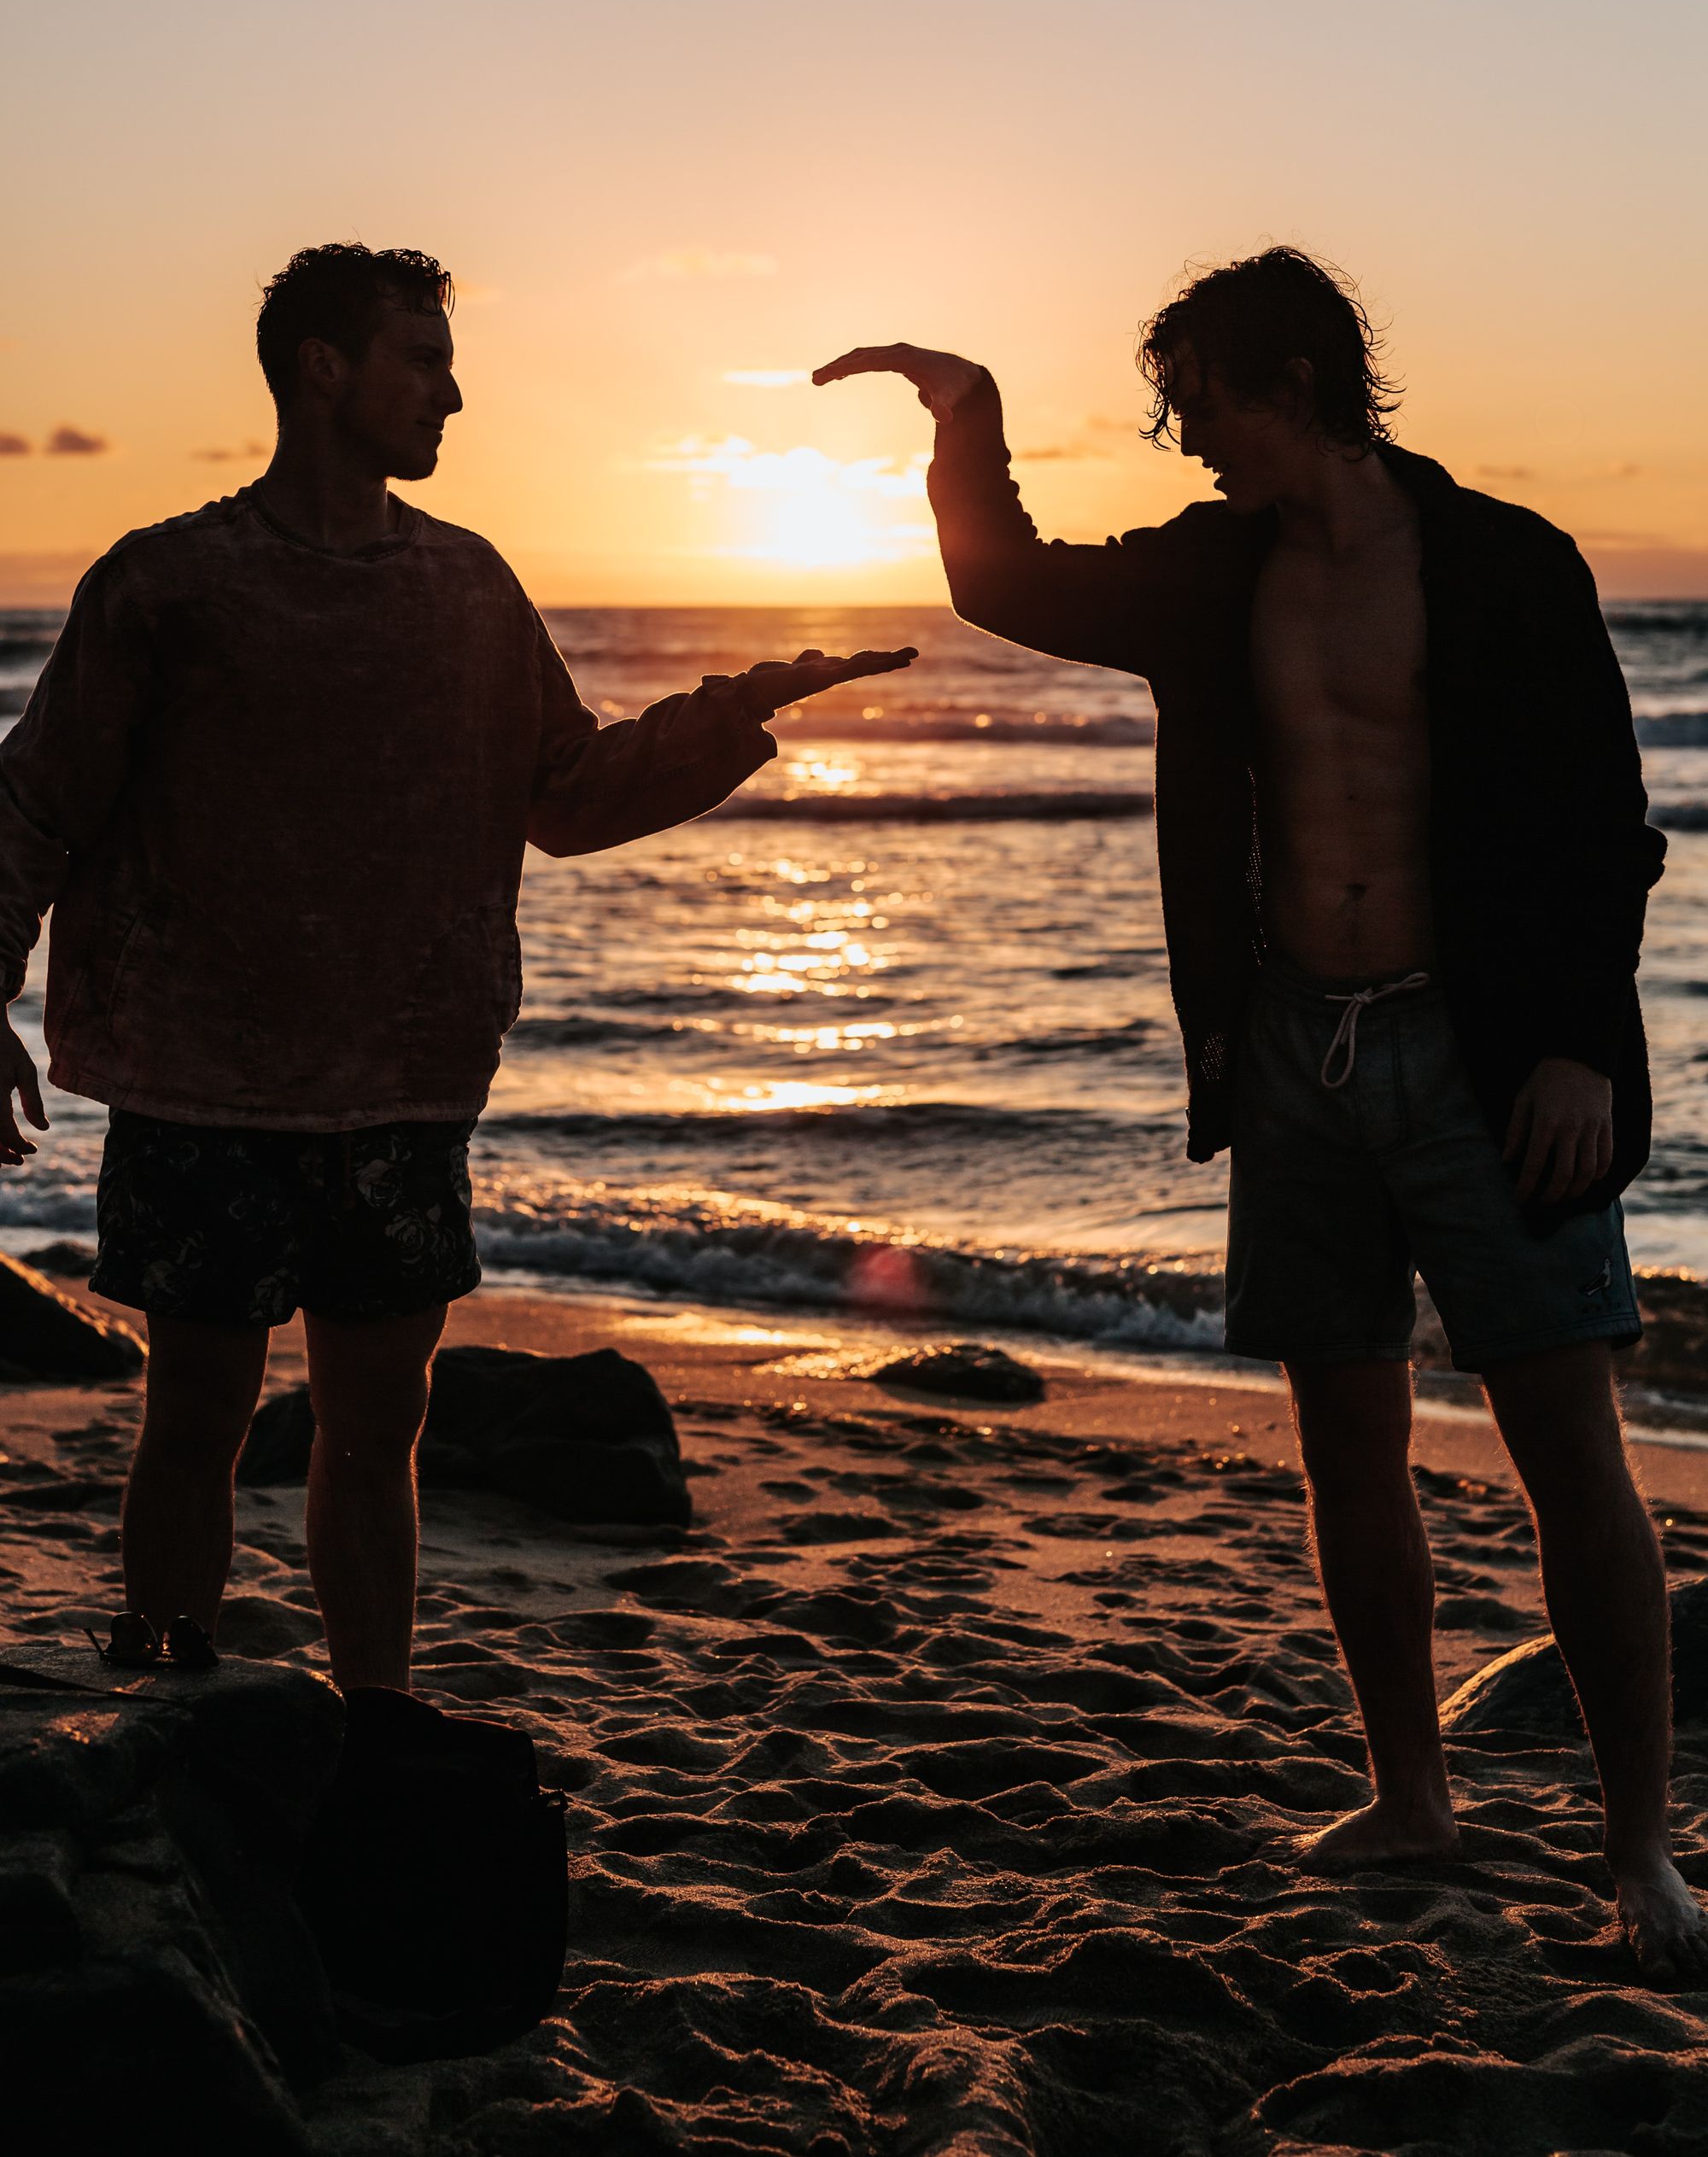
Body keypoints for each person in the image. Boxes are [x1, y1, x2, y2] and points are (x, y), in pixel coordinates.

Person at [814, 247, 1708, 1983]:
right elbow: (1004, 581)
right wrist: (965, 415)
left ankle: (1639, 1855)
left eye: (1204, 403)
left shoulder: (1507, 561)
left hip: (1484, 1055)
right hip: (1294, 1052)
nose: (1190, 438)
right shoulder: (1212, 569)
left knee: (1567, 1451)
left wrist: (1581, 1051)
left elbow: (1605, 826)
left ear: (1292, 382)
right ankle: (1412, 1799)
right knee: (1344, 1443)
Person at [0, 241, 912, 1692]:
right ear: (323, 369)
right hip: (202, 1086)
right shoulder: (170, 582)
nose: (453, 393)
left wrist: (741, 709)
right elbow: (36, 801)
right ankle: (167, 1678)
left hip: (406, 1085)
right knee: (196, 1418)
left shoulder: (469, 587)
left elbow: (566, 792)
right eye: (422, 360)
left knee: (380, 1434)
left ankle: (376, 1719)